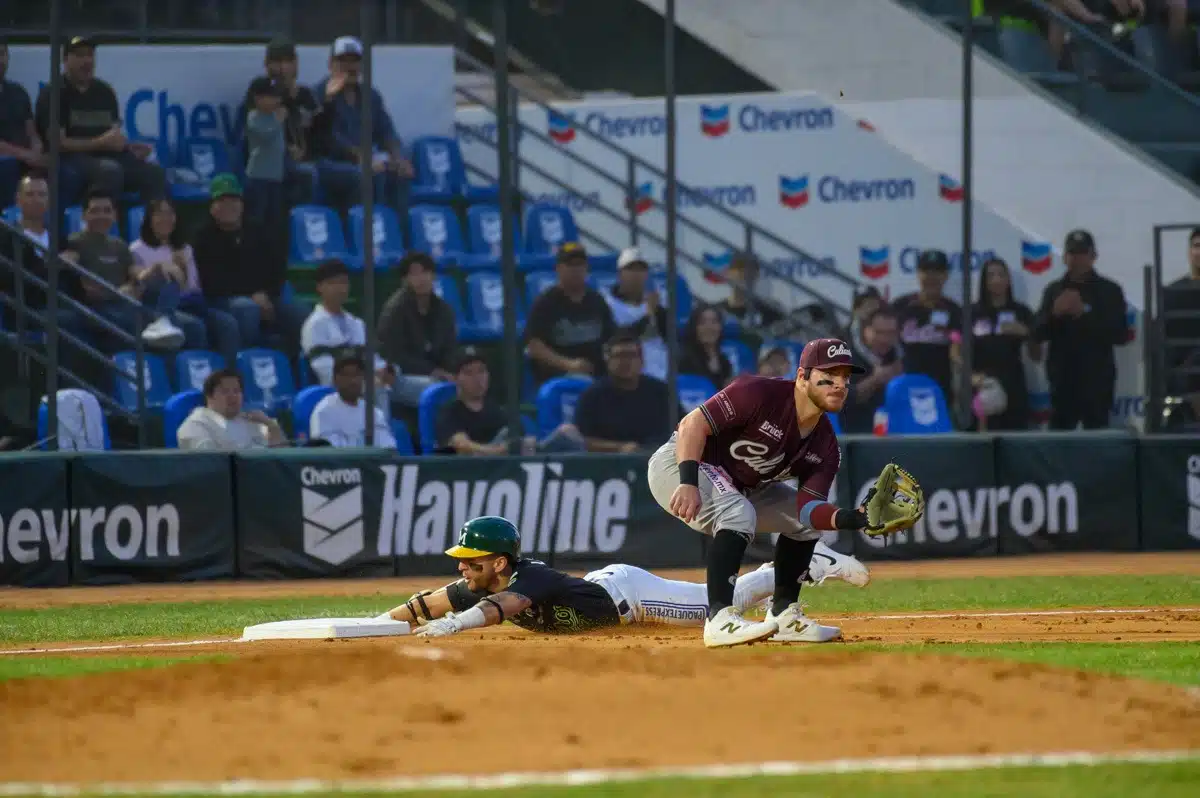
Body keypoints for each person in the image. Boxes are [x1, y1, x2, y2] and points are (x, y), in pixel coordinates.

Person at [646, 338, 898, 649]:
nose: (840, 384)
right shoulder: (759, 392)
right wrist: (687, 481)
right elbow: (691, 424)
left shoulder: (826, 447)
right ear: (802, 377)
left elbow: (809, 511)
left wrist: (856, 518)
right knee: (738, 512)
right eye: (829, 375)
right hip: (680, 463)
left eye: (846, 377)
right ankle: (720, 619)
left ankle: (783, 616)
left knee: (803, 526)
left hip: (742, 485)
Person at [381, 515, 870, 637]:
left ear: (501, 563)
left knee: (721, 606)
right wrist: (377, 624)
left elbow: (502, 610)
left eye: (472, 558)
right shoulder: (480, 583)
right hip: (607, 585)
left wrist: (457, 626)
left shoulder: (530, 579)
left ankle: (800, 562)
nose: (462, 566)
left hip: (629, 597)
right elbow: (427, 603)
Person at [34, 36, 165, 203]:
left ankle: (151, 225)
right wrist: (100, 142)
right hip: (70, 160)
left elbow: (111, 136)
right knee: (110, 171)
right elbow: (57, 144)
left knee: (154, 173)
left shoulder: (104, 92)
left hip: (108, 156)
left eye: (90, 55)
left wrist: (129, 147)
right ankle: (99, 225)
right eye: (80, 55)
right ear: (65, 60)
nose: (86, 61)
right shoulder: (53, 93)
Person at [192, 173, 309, 355]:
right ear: (212, 207)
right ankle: (249, 359)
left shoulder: (258, 230)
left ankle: (299, 367)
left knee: (300, 313)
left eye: (234, 200)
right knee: (246, 308)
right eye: (222, 201)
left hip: (265, 297)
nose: (228, 206)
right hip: (222, 300)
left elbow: (277, 270)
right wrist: (253, 295)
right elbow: (211, 282)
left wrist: (266, 295)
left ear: (242, 204)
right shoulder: (203, 238)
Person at [58, 189, 184, 351]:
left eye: (107, 211)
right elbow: (89, 290)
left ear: (115, 216)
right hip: (98, 308)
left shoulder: (119, 245)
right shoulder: (75, 243)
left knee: (191, 324)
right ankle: (158, 326)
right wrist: (122, 292)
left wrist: (157, 268)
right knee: (133, 322)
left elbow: (136, 273)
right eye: (95, 211)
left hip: (125, 303)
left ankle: (163, 322)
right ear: (84, 216)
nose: (101, 216)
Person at [1032, 229, 1128, 430]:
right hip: (1062, 382)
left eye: (1083, 253)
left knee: (1097, 443)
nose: (1077, 259)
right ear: (1065, 257)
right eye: (1072, 253)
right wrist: (1054, 313)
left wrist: (1084, 312)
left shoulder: (1110, 290)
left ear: (1093, 257)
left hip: (1097, 382)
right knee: (1059, 445)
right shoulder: (1053, 290)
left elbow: (1120, 334)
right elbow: (1037, 333)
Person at [130, 198, 241, 362]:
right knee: (195, 326)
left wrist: (183, 270)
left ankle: (229, 374)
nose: (166, 218)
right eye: (160, 213)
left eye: (170, 213)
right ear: (149, 219)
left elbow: (192, 288)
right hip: (159, 306)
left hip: (191, 303)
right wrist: (162, 270)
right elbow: (141, 283)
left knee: (228, 323)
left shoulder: (185, 248)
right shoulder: (137, 249)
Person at [311, 36, 413, 214]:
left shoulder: (370, 95)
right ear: (331, 64)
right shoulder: (320, 94)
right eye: (343, 61)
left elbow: (387, 131)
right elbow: (328, 139)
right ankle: (362, 236)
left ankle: (395, 236)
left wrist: (398, 157)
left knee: (399, 174)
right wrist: (362, 159)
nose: (350, 67)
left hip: (367, 160)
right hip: (329, 163)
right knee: (363, 176)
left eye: (355, 61)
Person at [436, 346, 583, 456]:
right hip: (476, 471)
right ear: (455, 379)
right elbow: (462, 446)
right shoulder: (450, 411)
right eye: (469, 373)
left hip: (512, 467)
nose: (477, 378)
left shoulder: (494, 409)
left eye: (481, 371)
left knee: (567, 434)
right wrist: (497, 450)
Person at [300, 259, 393, 403]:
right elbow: (324, 370)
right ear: (320, 287)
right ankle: (381, 426)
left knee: (421, 386)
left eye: (344, 282)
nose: (340, 288)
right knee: (377, 389)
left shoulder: (357, 323)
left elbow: (372, 358)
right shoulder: (314, 325)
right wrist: (365, 379)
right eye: (333, 283)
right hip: (335, 389)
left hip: (367, 380)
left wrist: (383, 370)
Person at [524, 242, 616, 386]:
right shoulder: (546, 302)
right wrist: (567, 364)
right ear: (559, 269)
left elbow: (611, 338)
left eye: (580, 265)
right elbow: (534, 346)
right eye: (570, 265)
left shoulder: (597, 300)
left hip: (597, 377)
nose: (576, 270)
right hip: (559, 379)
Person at [243, 37, 319, 205]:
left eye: (288, 61)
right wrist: (288, 148)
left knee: (355, 174)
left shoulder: (305, 94)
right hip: (272, 159)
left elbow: (321, 128)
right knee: (307, 174)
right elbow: (257, 131)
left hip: (309, 156)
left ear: (296, 63)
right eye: (277, 61)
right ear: (267, 64)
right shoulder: (260, 91)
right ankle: (303, 222)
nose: (283, 67)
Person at [376, 251, 458, 407]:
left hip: (438, 374)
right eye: (414, 274)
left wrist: (451, 372)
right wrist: (433, 371)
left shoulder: (444, 310)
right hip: (401, 376)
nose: (421, 278)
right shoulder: (395, 310)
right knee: (434, 390)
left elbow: (450, 348)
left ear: (433, 276)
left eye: (426, 272)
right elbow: (394, 354)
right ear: (405, 279)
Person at [969, 257, 1042, 431]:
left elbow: (1037, 356)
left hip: (1013, 386)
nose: (996, 280)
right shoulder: (971, 313)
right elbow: (957, 352)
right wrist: (971, 377)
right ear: (984, 282)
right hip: (982, 384)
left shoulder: (1021, 311)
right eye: (991, 275)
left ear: (1009, 280)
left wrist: (1026, 333)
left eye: (1001, 275)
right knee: (981, 444)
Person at [574, 334, 679, 453]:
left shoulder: (661, 391)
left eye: (632, 355)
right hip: (609, 462)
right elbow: (581, 440)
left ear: (642, 360)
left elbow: (682, 428)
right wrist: (618, 447)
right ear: (607, 360)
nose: (626, 362)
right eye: (619, 356)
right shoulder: (592, 395)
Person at [891, 249, 962, 407]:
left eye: (937, 272)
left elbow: (958, 344)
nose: (931, 278)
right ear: (918, 274)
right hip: (904, 387)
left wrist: (956, 346)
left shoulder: (954, 310)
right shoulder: (900, 306)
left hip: (940, 390)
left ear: (946, 276)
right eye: (926, 271)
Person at [176, 367, 286, 450]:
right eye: (225, 391)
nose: (232, 396)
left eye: (237, 391)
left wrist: (271, 425)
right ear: (209, 397)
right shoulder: (196, 424)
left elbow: (282, 458)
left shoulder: (254, 421)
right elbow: (210, 462)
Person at [602, 247, 669, 380]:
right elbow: (620, 338)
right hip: (626, 373)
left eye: (641, 269)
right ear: (620, 273)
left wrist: (658, 311)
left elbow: (669, 336)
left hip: (661, 372)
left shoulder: (659, 301)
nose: (636, 274)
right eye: (631, 269)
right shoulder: (607, 304)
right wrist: (648, 314)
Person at [309, 354, 396, 448]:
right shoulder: (324, 412)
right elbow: (327, 453)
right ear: (335, 380)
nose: (352, 381)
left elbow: (388, 447)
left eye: (357, 375)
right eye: (346, 375)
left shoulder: (374, 413)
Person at [842, 306, 904, 434]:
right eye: (879, 332)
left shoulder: (899, 357)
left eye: (891, 333)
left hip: (897, 434)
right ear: (866, 331)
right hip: (857, 436)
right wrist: (875, 380)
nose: (885, 339)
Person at [242, 76, 286, 236]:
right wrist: (278, 122)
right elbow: (265, 137)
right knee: (256, 218)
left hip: (275, 176)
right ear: (258, 98)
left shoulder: (275, 117)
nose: (277, 100)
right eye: (272, 96)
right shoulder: (253, 116)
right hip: (258, 176)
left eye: (278, 96)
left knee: (273, 218)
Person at [1162, 227, 1200, 413]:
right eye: (1197, 246)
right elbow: (1163, 346)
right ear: (1189, 251)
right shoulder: (1172, 293)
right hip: (1184, 388)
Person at [717, 252, 782, 350]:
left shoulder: (770, 310)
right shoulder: (716, 312)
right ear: (727, 273)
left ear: (757, 275)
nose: (745, 273)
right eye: (739, 268)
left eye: (751, 269)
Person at [0, 40, 43, 179]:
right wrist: (26, 155)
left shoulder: (19, 92)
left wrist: (37, 150)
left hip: (25, 157)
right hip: (8, 161)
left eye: (1, 54)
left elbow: (31, 132)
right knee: (9, 166)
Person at [678, 304, 733, 390]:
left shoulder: (725, 362)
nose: (709, 327)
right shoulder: (684, 361)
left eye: (714, 322)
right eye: (703, 322)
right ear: (694, 328)